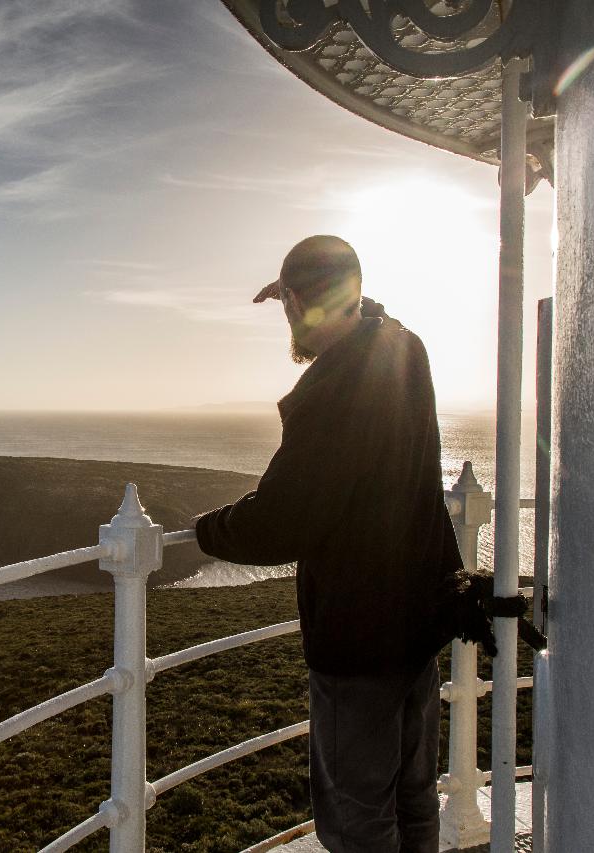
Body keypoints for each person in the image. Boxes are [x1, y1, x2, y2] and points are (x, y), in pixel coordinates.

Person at [190, 235, 462, 853]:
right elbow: (373, 315)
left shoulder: (332, 391)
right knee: (412, 794)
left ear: (293, 302)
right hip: (418, 619)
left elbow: (283, 519)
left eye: (288, 304)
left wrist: (209, 531)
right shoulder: (403, 348)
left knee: (356, 814)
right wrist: (313, 291)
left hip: (360, 632)